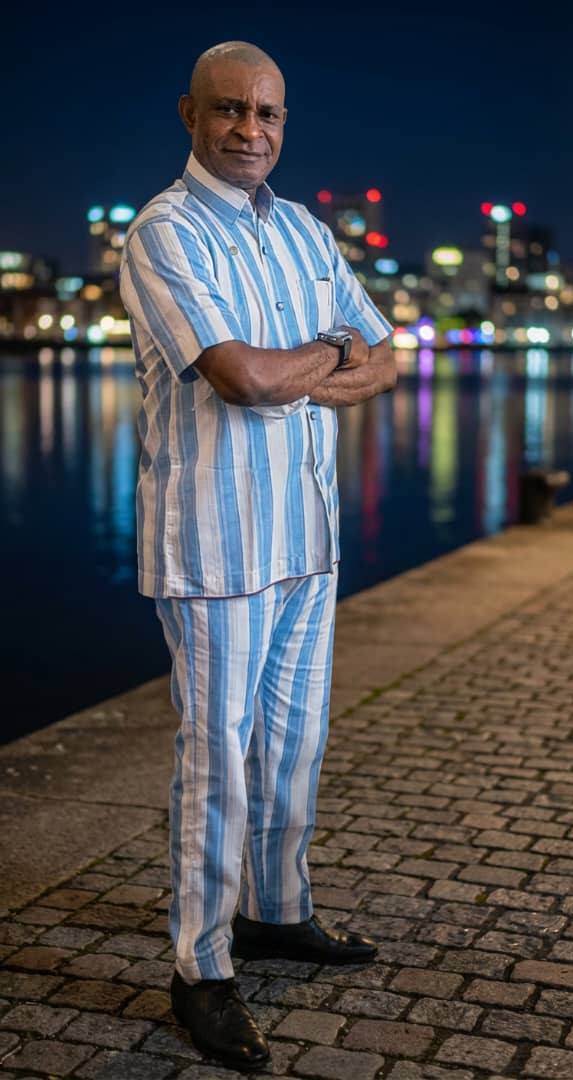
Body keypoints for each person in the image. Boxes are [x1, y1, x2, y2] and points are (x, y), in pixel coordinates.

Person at [119, 40, 396, 1072]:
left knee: (294, 745)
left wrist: (315, 365)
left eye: (267, 113)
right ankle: (200, 967)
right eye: (230, 109)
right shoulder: (165, 232)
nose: (250, 130)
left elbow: (388, 357)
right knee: (217, 758)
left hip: (307, 539)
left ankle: (276, 911)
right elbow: (241, 377)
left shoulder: (304, 231)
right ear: (190, 114)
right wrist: (330, 354)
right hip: (217, 544)